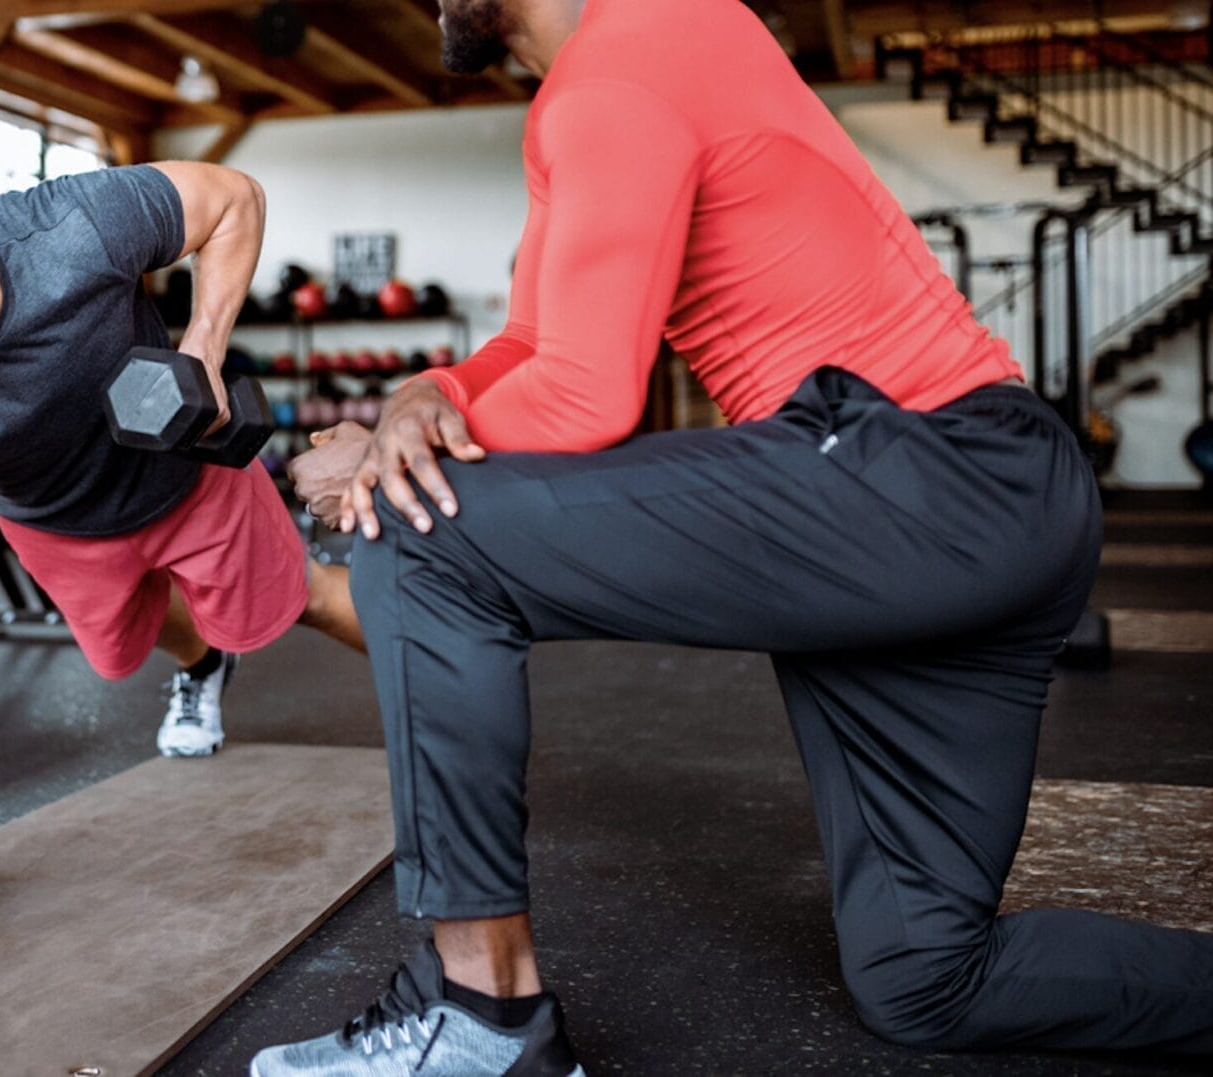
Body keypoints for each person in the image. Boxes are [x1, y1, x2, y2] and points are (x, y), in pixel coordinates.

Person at [261, 0, 1213, 1073]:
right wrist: (419, 397)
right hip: (980, 503)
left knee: (423, 531)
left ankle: (484, 1018)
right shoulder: (631, 63)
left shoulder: (618, 65)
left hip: (919, 474)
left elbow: (582, 395)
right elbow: (532, 337)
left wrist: (383, 462)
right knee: (925, 979)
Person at [0, 157, 365, 893]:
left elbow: (236, 199)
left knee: (301, 599)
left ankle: (449, 705)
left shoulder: (75, 227)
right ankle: (203, 664)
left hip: (187, 474)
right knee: (138, 628)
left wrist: (204, 347)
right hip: (55, 523)